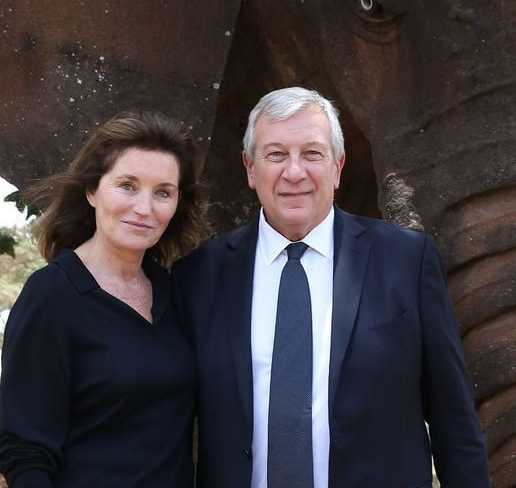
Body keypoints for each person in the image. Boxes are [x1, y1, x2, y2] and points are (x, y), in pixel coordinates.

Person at [172, 86, 490, 487]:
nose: (294, 172)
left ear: (338, 167)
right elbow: (169, 428)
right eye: (275, 155)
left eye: (312, 153)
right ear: (250, 169)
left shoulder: (406, 261)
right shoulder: (198, 276)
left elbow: (454, 421)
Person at [0, 112, 207, 487]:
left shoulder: (175, 293)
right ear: (92, 190)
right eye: (128, 185)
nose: (144, 208)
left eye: (163, 192)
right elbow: (25, 452)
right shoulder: (52, 295)